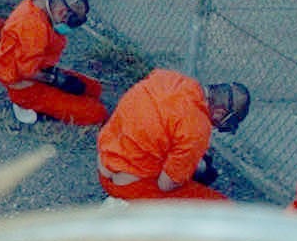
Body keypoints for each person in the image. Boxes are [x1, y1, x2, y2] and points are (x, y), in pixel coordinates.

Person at [96, 69, 251, 202]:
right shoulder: (198, 127)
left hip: (104, 164)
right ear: (220, 112)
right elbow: (166, 185)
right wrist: (191, 170)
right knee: (223, 207)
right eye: (223, 123)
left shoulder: (169, 77)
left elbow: (162, 126)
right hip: (127, 186)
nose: (217, 126)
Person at [0, 0, 107, 126]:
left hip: (37, 67)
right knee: (98, 113)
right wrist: (55, 80)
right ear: (62, 12)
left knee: (94, 88)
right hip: (23, 83)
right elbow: (26, 71)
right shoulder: (34, 29)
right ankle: (25, 102)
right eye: (70, 21)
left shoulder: (37, 5)